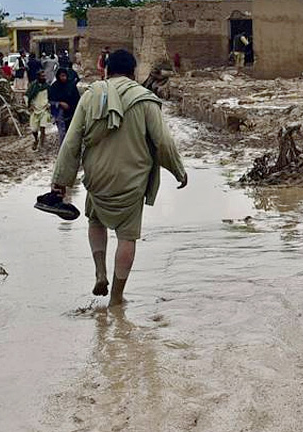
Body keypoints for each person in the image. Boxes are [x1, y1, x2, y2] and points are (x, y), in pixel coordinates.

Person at [39, 49, 187, 308]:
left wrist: (60, 183)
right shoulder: (146, 100)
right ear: (133, 72)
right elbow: (162, 142)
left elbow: (71, 142)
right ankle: (117, 298)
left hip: (97, 177)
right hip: (132, 180)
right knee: (127, 236)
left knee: (96, 221)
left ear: (107, 70)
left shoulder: (91, 96)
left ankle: (100, 272)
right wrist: (178, 170)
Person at [47, 66, 81, 147]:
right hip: (60, 114)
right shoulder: (54, 87)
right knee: (62, 133)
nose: (63, 78)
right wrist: (60, 103)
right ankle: (63, 148)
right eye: (61, 76)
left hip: (72, 113)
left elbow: (77, 99)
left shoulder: (71, 85)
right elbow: (50, 100)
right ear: (58, 76)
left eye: (65, 75)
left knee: (72, 132)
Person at [26, 71, 51, 151]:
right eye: (42, 76)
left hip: (44, 109)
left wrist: (49, 104)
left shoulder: (47, 86)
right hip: (35, 109)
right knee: (34, 129)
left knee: (43, 127)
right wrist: (29, 105)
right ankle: (36, 139)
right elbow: (27, 96)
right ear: (38, 77)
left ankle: (41, 144)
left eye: (44, 76)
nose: (44, 77)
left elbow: (51, 97)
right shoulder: (33, 86)